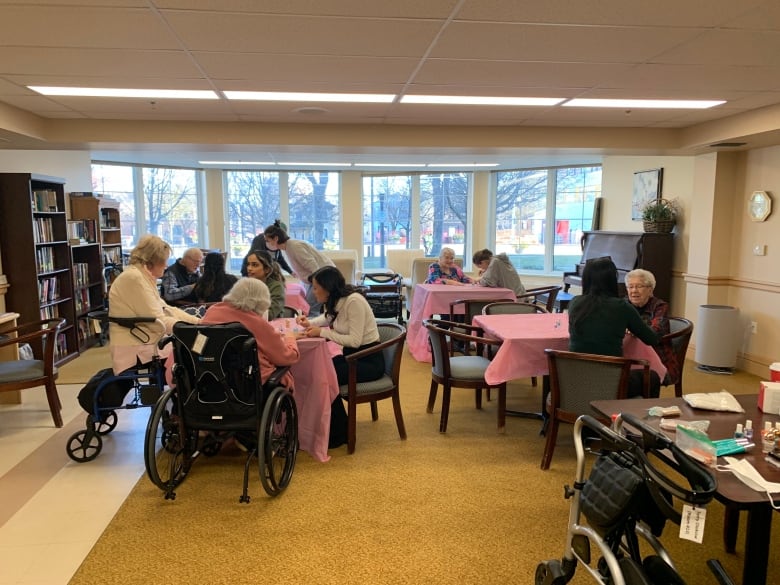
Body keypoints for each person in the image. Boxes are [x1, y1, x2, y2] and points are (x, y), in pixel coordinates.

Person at [295, 266, 384, 448]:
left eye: (316, 287)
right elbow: (328, 319)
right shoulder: (336, 300)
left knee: (324, 378)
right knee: (321, 371)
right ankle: (333, 428)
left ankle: (339, 433)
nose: (314, 291)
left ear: (327, 288)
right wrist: (309, 323)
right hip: (353, 358)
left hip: (368, 360)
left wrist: (323, 333)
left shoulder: (354, 301)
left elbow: (355, 340)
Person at [568, 257, 661, 398]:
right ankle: (645, 418)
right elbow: (651, 339)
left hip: (577, 379)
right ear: (612, 280)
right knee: (653, 377)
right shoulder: (622, 307)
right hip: (610, 382)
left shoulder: (575, 303)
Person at [108, 235, 200, 375]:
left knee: (199, 345)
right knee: (196, 349)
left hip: (146, 338)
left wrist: (199, 322)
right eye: (164, 261)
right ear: (153, 261)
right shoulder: (134, 279)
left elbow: (167, 309)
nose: (167, 265)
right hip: (136, 345)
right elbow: (159, 320)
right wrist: (192, 328)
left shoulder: (142, 277)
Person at [201, 278, 300, 390]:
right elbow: (285, 357)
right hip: (247, 384)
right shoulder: (256, 322)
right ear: (261, 302)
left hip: (211, 380)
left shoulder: (212, 311)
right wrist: (290, 338)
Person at [263, 219, 335, 316]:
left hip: (324, 278)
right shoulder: (289, 247)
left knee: (311, 308)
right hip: (318, 278)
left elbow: (314, 268)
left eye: (268, 240)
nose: (267, 243)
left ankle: (313, 329)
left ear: (275, 238)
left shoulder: (294, 247)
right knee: (309, 307)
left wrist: (315, 287)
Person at [625, 268, 678, 386]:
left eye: (639, 286)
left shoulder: (659, 306)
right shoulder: (624, 305)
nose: (634, 291)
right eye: (630, 287)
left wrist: (635, 329)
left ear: (650, 289)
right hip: (627, 357)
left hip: (658, 360)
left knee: (626, 379)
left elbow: (655, 331)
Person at [243, 249, 286, 319]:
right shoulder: (246, 285)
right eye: (248, 264)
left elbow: (270, 314)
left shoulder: (276, 287)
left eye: (254, 265)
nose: (249, 268)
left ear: (267, 270)